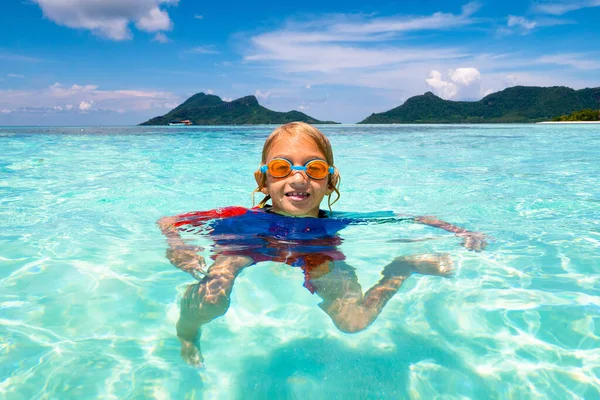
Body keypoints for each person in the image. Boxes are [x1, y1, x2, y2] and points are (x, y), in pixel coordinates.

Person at [158, 122, 487, 366]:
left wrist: (460, 231)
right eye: (281, 167)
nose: (299, 178)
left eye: (313, 169)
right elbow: (168, 221)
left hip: (316, 253)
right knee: (211, 301)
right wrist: (178, 245)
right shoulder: (237, 216)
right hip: (247, 245)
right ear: (264, 179)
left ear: (330, 182)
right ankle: (188, 330)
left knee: (353, 323)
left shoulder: (335, 221)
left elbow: (414, 217)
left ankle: (402, 267)